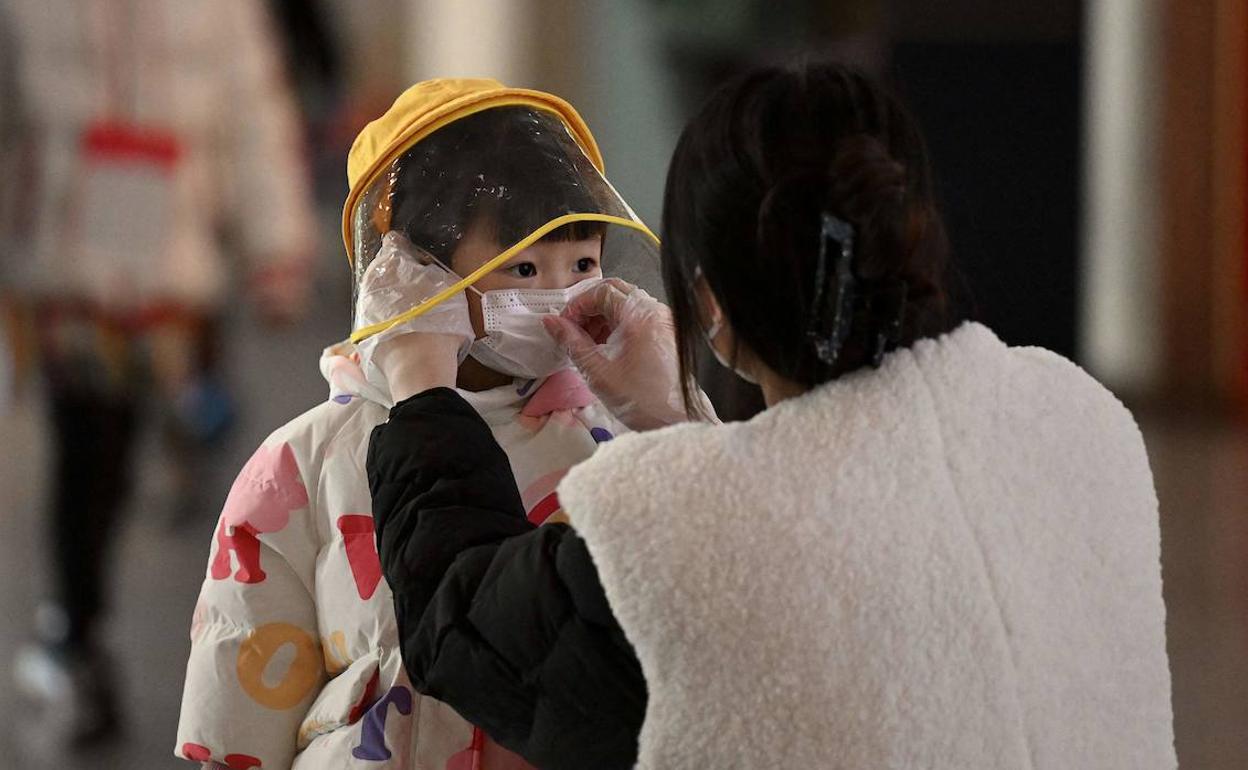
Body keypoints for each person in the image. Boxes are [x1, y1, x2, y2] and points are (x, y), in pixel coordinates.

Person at [366, 62, 1177, 769]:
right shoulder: (1081, 416)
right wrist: (678, 419)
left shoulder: (673, 521)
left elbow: (459, 627)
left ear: (708, 305)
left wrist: (421, 386)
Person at [176, 78, 679, 769]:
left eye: (583, 265)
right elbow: (240, 697)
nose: (560, 296)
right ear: (416, 271)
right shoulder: (307, 463)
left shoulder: (629, 441)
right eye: (524, 266)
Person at [2, 0, 316, 746]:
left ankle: (155, 626)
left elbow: (252, 112)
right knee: (89, 444)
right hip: (68, 263)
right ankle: (78, 631)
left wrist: (276, 243)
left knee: (163, 430)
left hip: (176, 261)